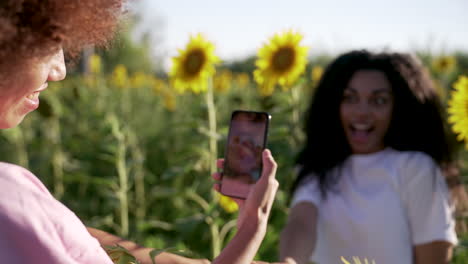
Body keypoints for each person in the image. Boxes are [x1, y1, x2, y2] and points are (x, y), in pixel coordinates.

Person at [0, 1, 279, 264]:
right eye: (49, 42)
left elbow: (65, 233)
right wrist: (251, 229)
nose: (60, 70)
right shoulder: (11, 199)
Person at [280, 50, 461, 264]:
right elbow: (301, 223)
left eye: (379, 100)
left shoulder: (416, 168)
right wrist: (289, 262)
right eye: (349, 98)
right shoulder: (318, 169)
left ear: (398, 107)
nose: (362, 112)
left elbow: (434, 257)